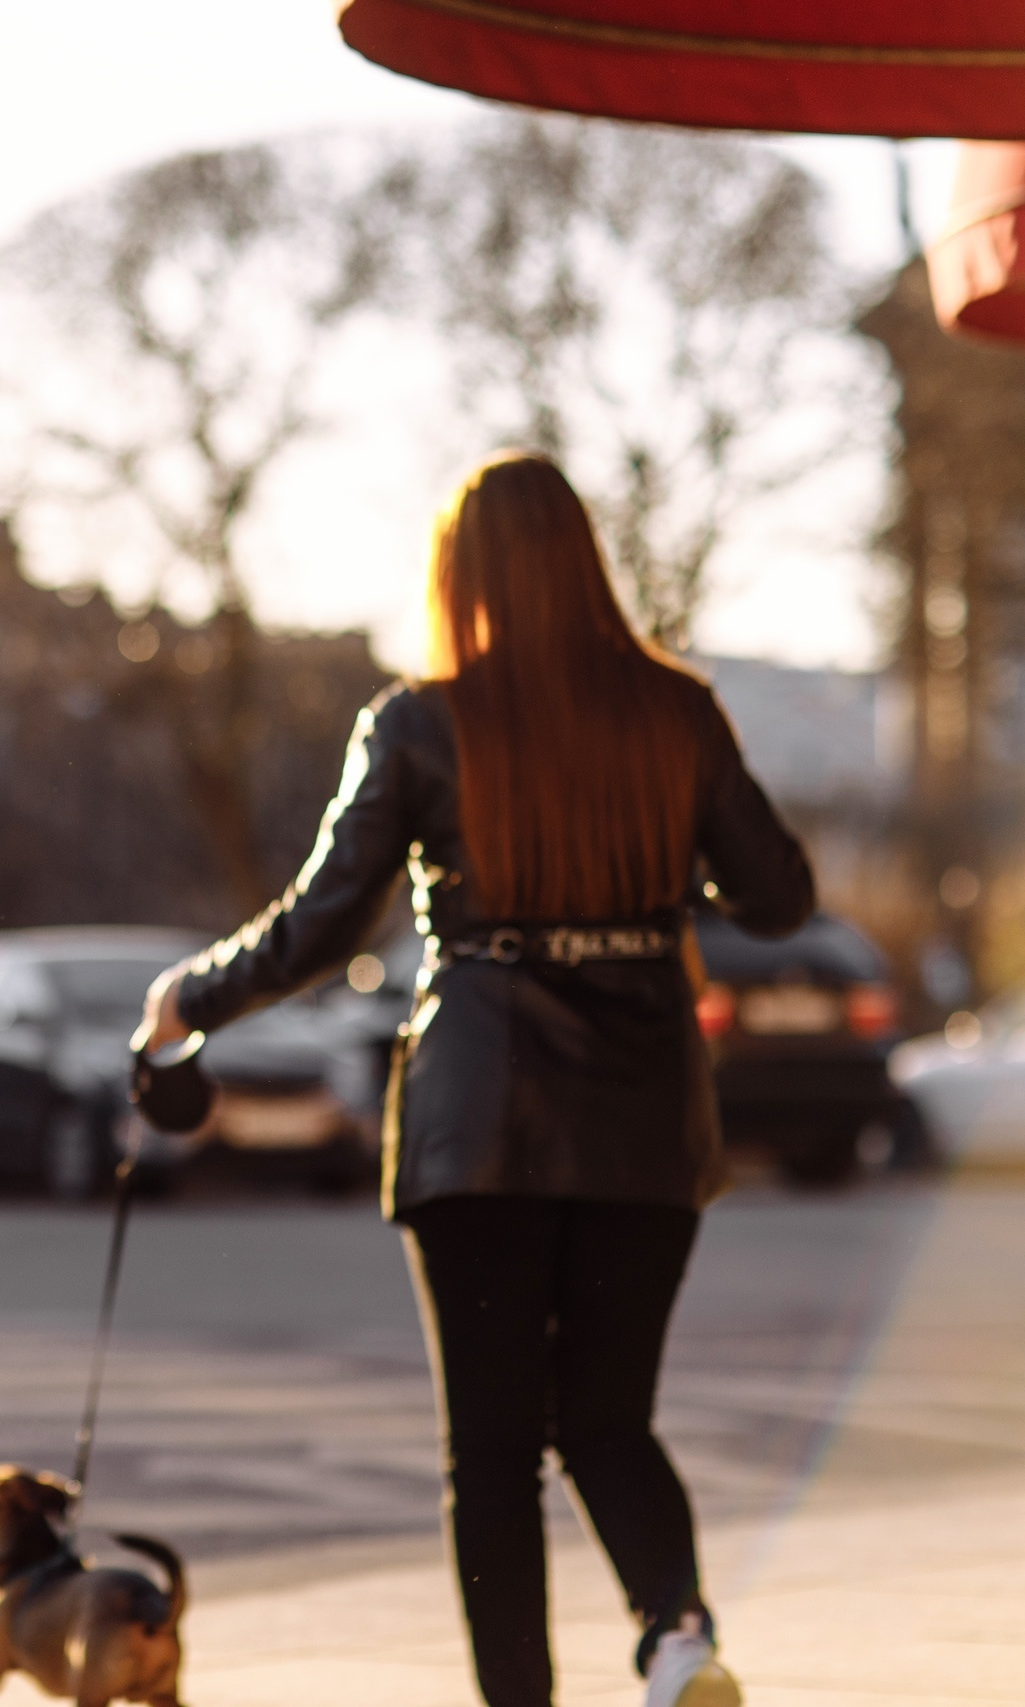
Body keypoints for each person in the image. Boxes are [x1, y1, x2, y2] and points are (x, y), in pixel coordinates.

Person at [137, 454, 811, 1707]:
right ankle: (676, 1638)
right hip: (645, 1123)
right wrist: (649, 861)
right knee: (610, 1416)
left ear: (459, 573)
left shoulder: (417, 724)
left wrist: (194, 993)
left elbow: (322, 923)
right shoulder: (679, 716)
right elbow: (779, 898)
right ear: (587, 563)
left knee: (491, 1453)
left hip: (477, 1122)